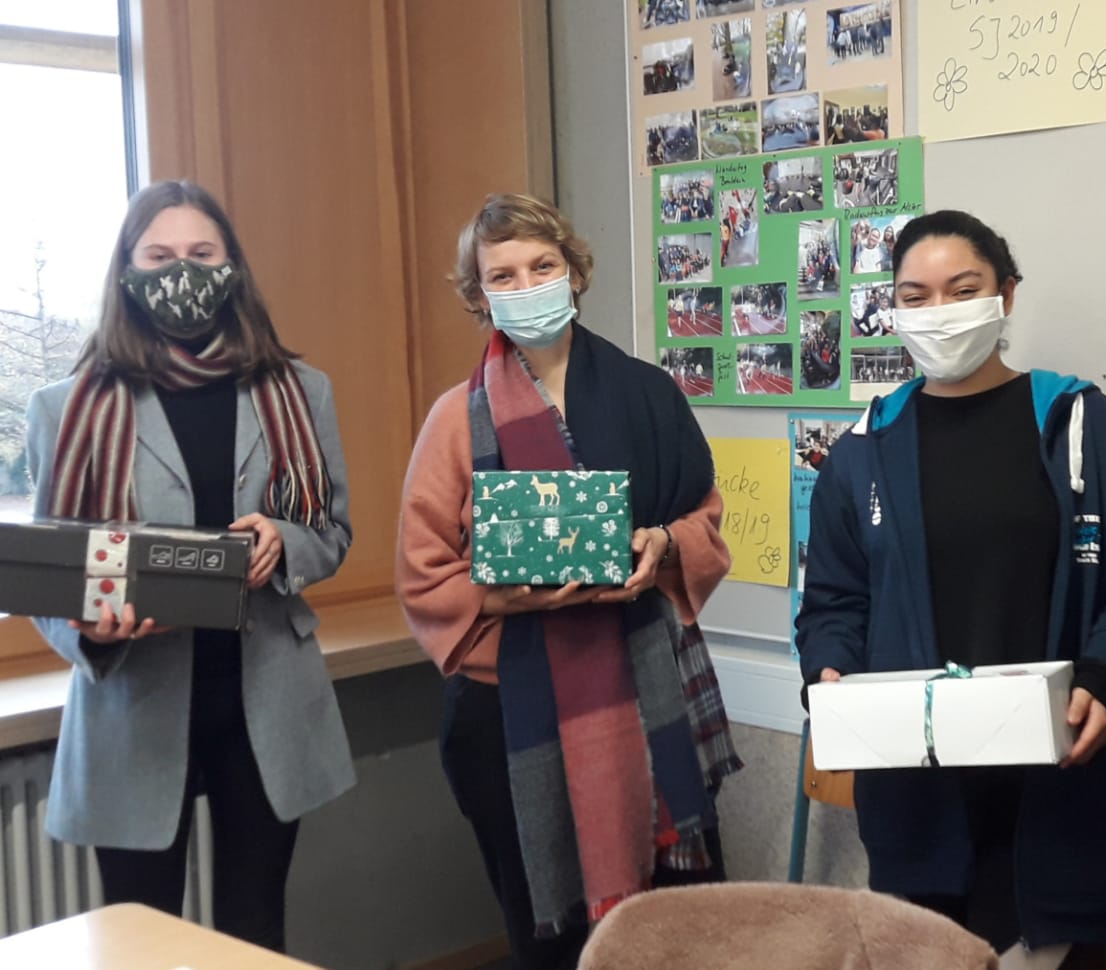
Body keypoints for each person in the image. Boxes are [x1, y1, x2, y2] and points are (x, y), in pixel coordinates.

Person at [796, 209, 1106, 966]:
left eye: (962, 289)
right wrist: (830, 671)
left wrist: (1105, 677)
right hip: (920, 807)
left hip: (1063, 792)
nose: (939, 312)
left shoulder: (1085, 428)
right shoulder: (863, 452)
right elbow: (833, 604)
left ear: (1006, 295)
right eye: (914, 296)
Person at [397, 193, 741, 970]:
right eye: (503, 276)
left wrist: (664, 544)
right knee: (551, 940)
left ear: (574, 273)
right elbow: (422, 575)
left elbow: (706, 522)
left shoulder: (648, 392)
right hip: (510, 716)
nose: (526, 287)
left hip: (650, 693)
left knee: (675, 934)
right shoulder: (455, 420)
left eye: (541, 266)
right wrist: (497, 597)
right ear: (478, 294)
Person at [24, 180, 354, 952]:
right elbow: (49, 576)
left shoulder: (300, 392)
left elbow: (332, 531)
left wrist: (282, 540)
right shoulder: (65, 408)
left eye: (202, 254)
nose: (182, 271)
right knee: (141, 943)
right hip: (133, 704)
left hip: (263, 703)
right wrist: (89, 632)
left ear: (232, 266)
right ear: (127, 271)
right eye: (160, 256)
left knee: (254, 933)